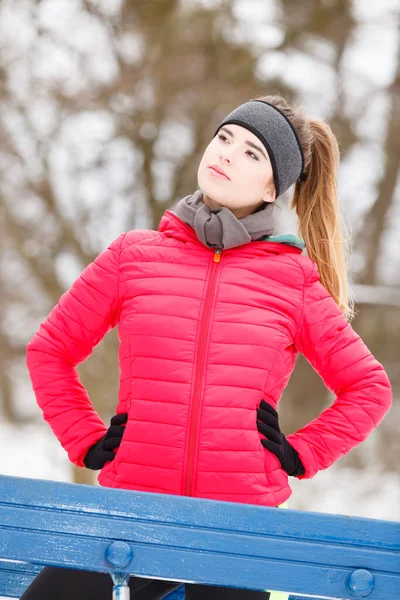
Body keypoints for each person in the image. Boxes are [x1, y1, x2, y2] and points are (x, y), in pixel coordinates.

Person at [23, 95, 392, 600]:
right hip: (134, 513)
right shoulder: (133, 256)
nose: (226, 154)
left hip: (235, 531)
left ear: (272, 187)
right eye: (224, 138)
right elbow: (50, 350)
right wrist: (84, 438)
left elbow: (368, 387)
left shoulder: (293, 280)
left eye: (251, 153)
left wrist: (299, 452)